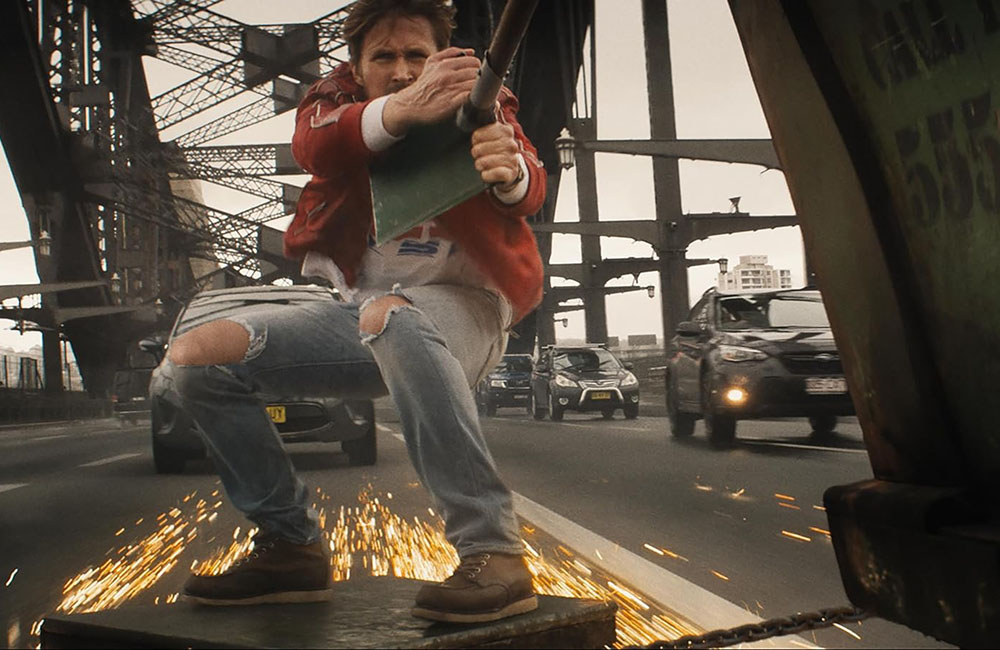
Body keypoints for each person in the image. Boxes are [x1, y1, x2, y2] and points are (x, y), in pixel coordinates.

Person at [160, 0, 546, 624]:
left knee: (393, 316)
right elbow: (315, 144)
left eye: (417, 55)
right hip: (360, 316)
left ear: (440, 57)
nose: (402, 70)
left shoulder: (482, 98)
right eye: (384, 57)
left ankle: (493, 551)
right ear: (357, 68)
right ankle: (290, 547)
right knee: (195, 359)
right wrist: (404, 109)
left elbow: (528, 181)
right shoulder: (333, 105)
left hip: (464, 309)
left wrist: (510, 176)